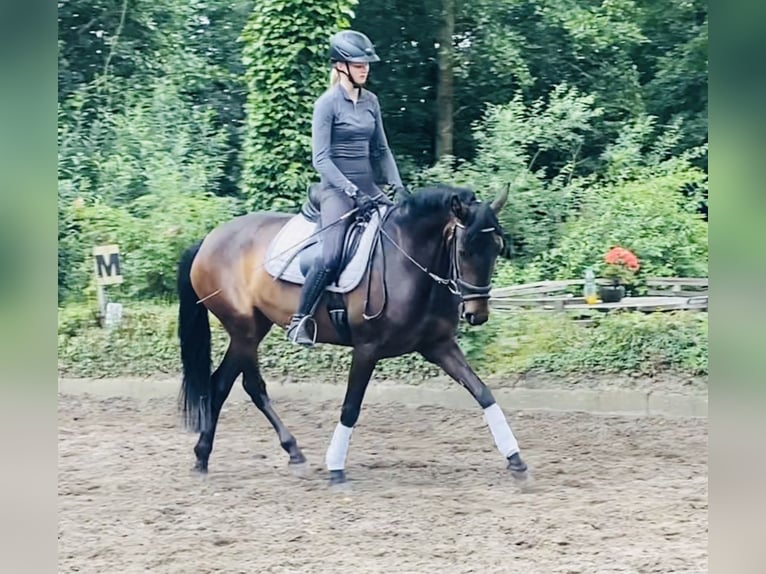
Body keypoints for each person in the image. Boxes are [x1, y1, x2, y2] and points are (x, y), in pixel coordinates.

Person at [286, 29, 407, 346]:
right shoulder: (327, 104)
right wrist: (352, 192)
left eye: (367, 63)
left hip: (369, 187)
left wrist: (398, 185)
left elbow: (381, 150)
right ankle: (301, 320)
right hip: (337, 192)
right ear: (340, 66)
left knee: (403, 235)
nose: (365, 68)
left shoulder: (371, 102)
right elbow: (321, 159)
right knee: (331, 256)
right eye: (358, 63)